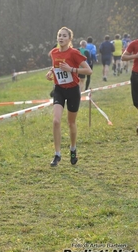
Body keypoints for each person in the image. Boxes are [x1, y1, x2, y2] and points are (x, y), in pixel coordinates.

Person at [46, 27, 92, 167]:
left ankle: (73, 149)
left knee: (71, 123)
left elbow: (88, 70)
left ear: (69, 39)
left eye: (64, 36)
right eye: (59, 35)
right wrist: (50, 72)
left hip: (73, 90)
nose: (61, 38)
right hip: (59, 89)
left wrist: (71, 69)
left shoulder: (74, 53)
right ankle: (57, 154)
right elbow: (55, 67)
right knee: (56, 121)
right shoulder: (53, 53)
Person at [121, 38, 138, 134]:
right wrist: (135, 56)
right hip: (136, 75)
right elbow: (123, 57)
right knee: (136, 102)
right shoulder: (134, 43)